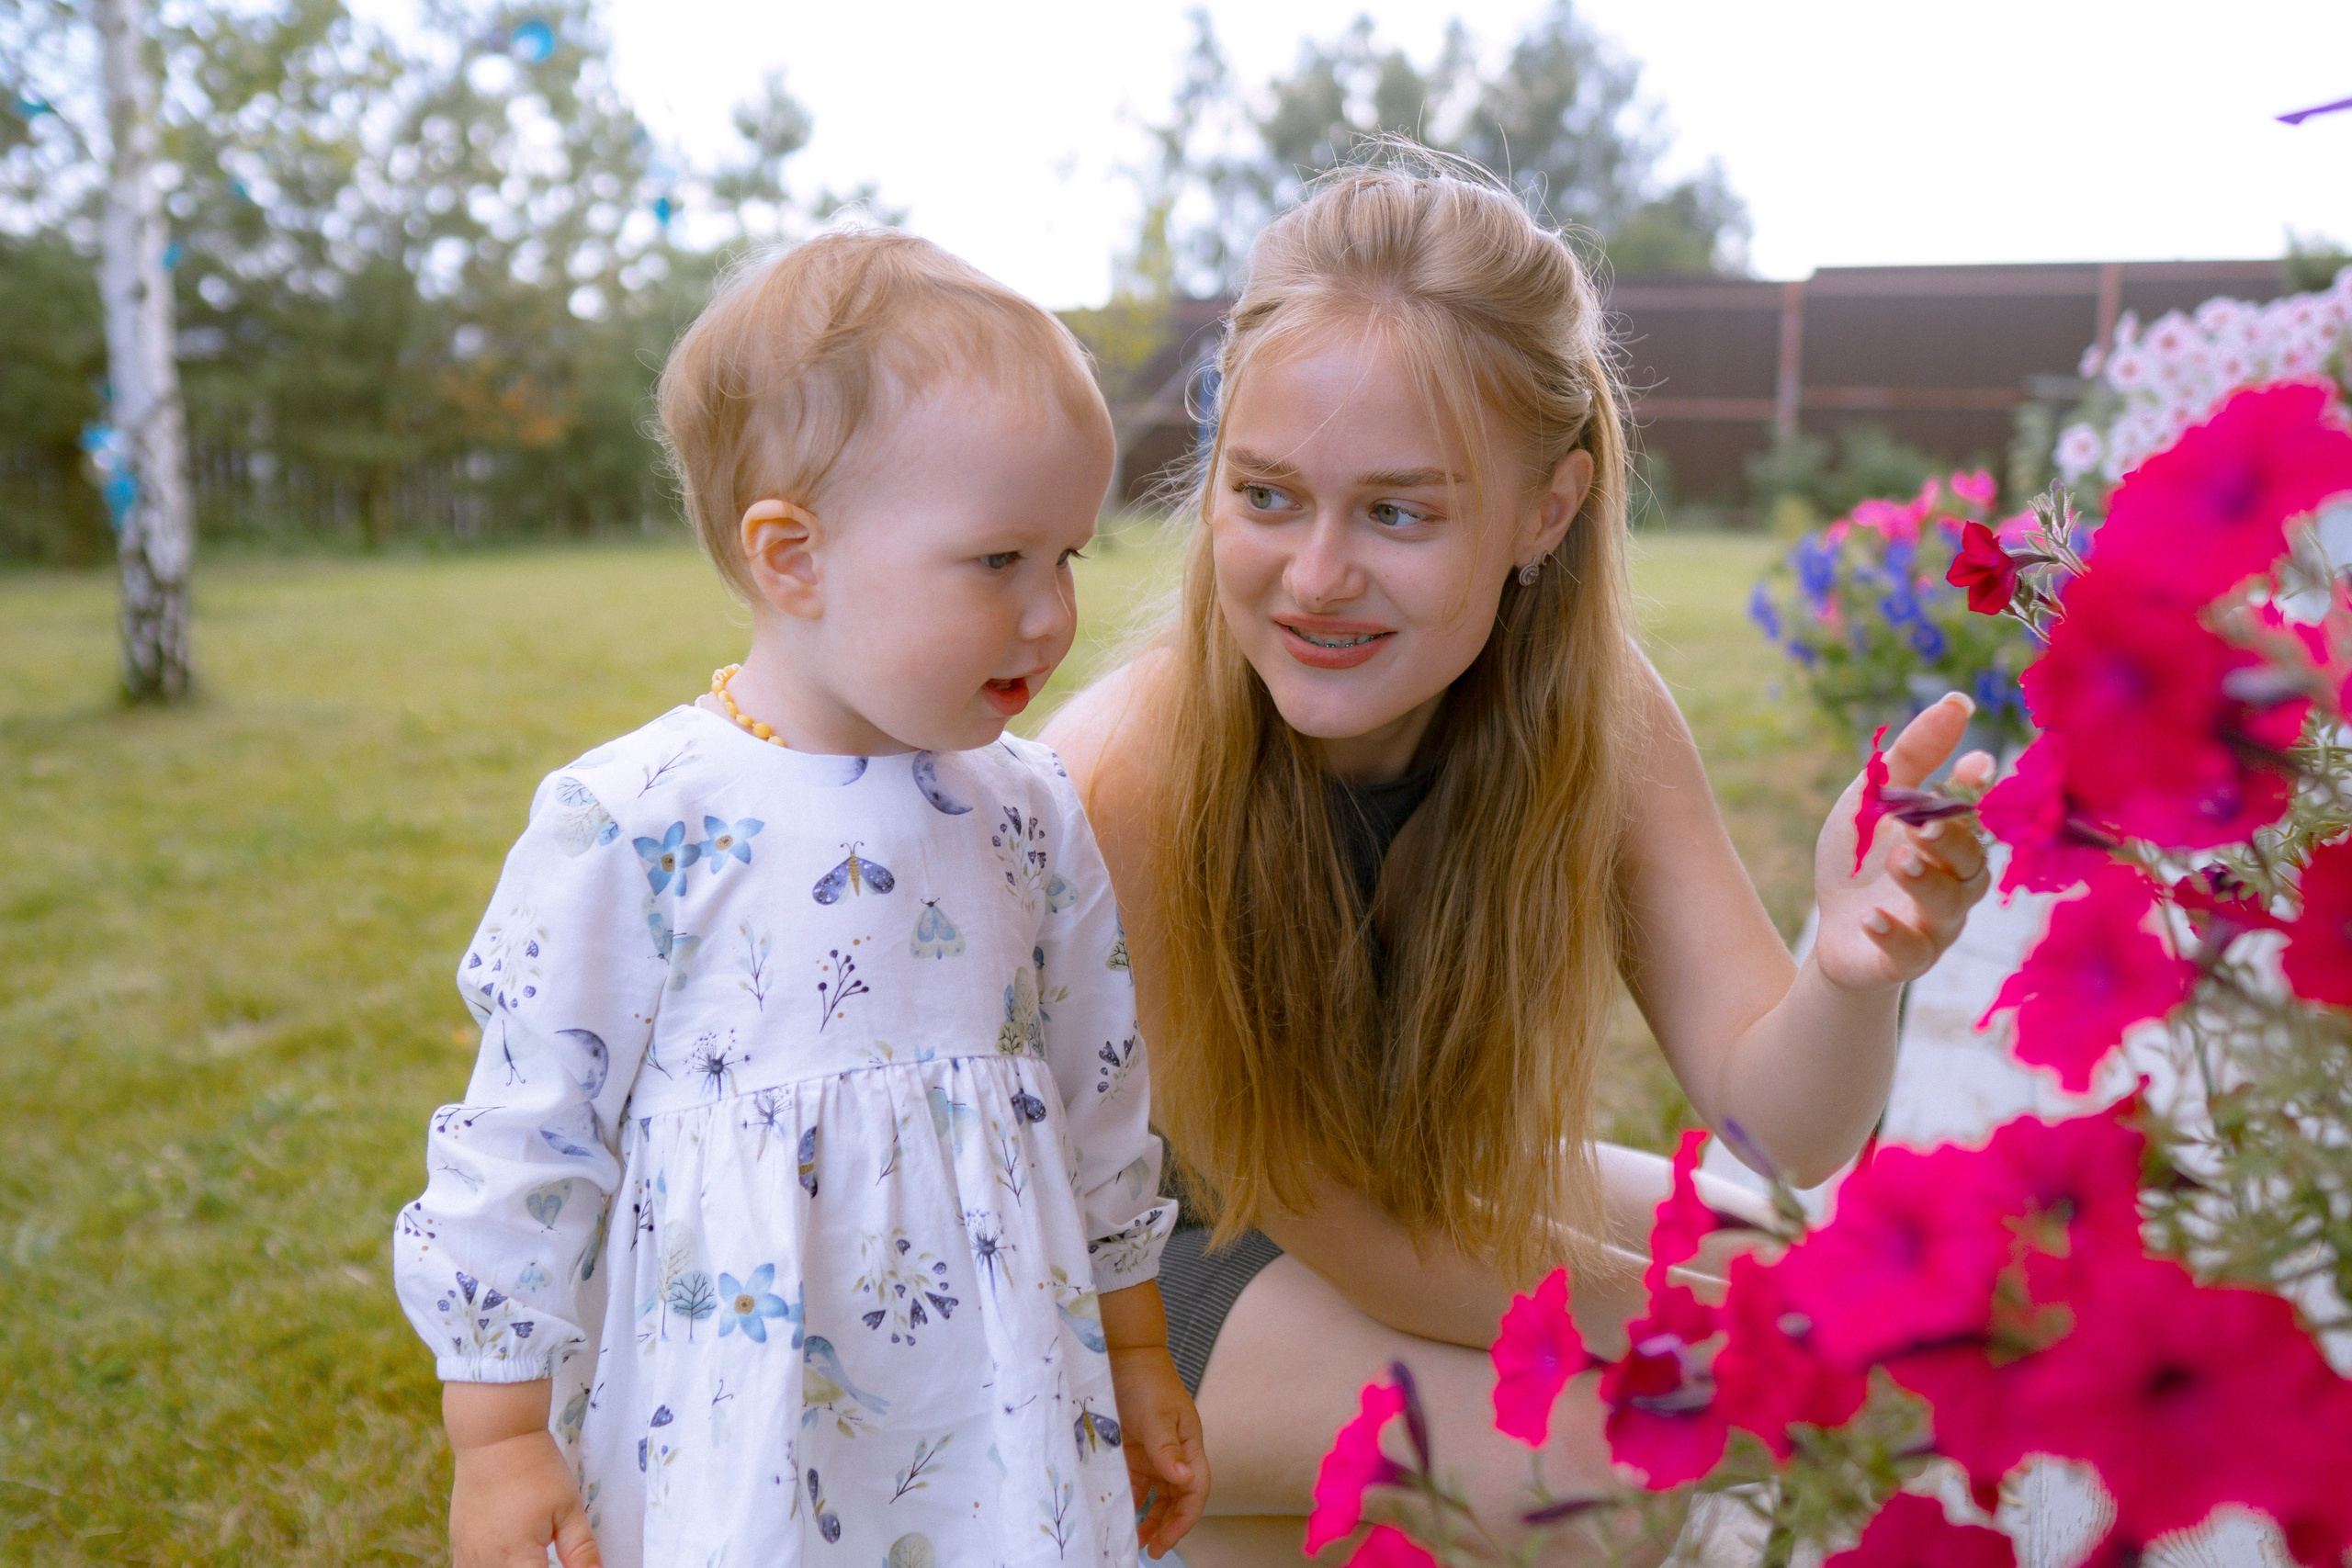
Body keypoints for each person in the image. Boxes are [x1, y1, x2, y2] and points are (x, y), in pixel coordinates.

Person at [1041, 161, 1993, 1564]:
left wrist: (1848, 972)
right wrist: (1752, 1359)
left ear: (1545, 512)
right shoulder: (1130, 778)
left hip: (1366, 1207)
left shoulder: (1591, 712)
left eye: (1400, 513)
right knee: (1594, 1484)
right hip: (1109, 1278)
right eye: (1268, 495)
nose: (1314, 576)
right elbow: (1366, 1248)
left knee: (1781, 1266)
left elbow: (1785, 1126)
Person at [392, 231, 1208, 1568]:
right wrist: (499, 1440)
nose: (1053, 614)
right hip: (741, 1408)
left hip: (998, 1395)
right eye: (998, 561)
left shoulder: (1029, 806)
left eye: (1070, 556)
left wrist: (1133, 1345)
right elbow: (527, 1141)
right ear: (793, 558)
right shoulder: (641, 820)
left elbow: (1097, 1095)